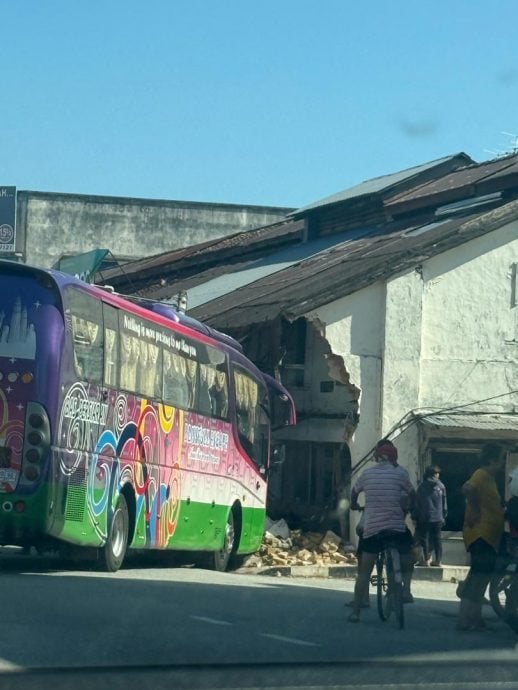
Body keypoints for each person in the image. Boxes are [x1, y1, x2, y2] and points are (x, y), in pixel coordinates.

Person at [347, 439, 416, 623]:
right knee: (408, 552)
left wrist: (354, 504)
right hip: (396, 528)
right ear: (394, 458)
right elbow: (412, 494)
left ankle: (356, 611)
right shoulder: (401, 473)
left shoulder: (367, 474)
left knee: (364, 572)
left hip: (373, 530)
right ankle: (403, 589)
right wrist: (411, 507)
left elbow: (354, 492)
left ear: (377, 457)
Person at [456, 442, 506, 631]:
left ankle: (474, 618)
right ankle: (464, 619)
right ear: (492, 460)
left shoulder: (490, 478)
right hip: (480, 534)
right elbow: (467, 488)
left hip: (488, 536)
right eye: (501, 460)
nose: (502, 464)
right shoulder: (481, 474)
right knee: (478, 578)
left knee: (480, 578)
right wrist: (475, 509)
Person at [413, 465, 448, 567]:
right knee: (437, 539)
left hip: (425, 517)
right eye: (437, 473)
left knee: (425, 539)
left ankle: (426, 560)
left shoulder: (422, 486)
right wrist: (444, 516)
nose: (438, 475)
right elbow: (444, 503)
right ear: (435, 474)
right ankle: (438, 560)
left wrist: (415, 516)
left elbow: (417, 503)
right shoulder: (441, 486)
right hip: (438, 518)